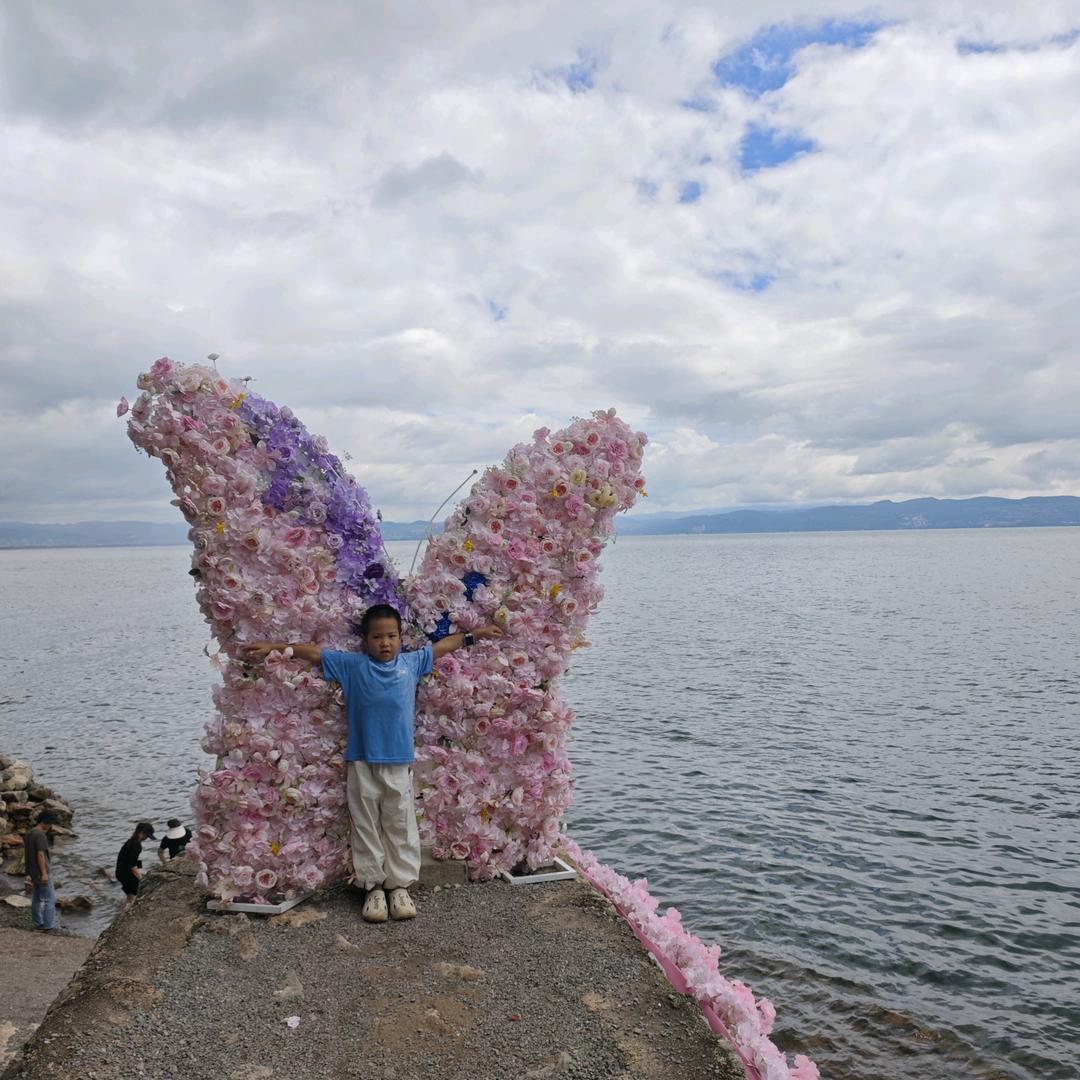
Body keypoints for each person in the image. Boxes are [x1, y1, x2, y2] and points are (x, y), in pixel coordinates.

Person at [243, 603, 500, 923]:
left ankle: (399, 886)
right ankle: (374, 887)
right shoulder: (352, 666)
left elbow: (444, 646)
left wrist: (475, 635)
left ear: (400, 638)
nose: (385, 643)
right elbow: (314, 653)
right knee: (365, 824)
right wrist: (275, 648)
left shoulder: (412, 662)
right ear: (366, 640)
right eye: (377, 637)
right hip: (361, 760)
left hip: (397, 762)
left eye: (392, 636)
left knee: (399, 822)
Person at [24, 809, 60, 932]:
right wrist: (44, 873)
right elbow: (40, 854)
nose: (50, 826)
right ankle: (48, 926)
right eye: (50, 823)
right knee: (50, 899)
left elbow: (29, 853)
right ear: (45, 822)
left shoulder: (30, 833)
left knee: (37, 897)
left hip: (33, 871)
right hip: (42, 872)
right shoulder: (40, 835)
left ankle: (38, 922)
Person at [116, 822, 155, 911]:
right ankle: (126, 915)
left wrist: (139, 869)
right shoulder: (136, 845)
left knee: (129, 896)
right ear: (141, 833)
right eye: (147, 836)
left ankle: (123, 911)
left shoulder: (131, 841)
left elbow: (132, 859)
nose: (146, 838)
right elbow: (132, 865)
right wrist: (140, 877)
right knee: (134, 897)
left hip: (120, 871)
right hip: (127, 874)